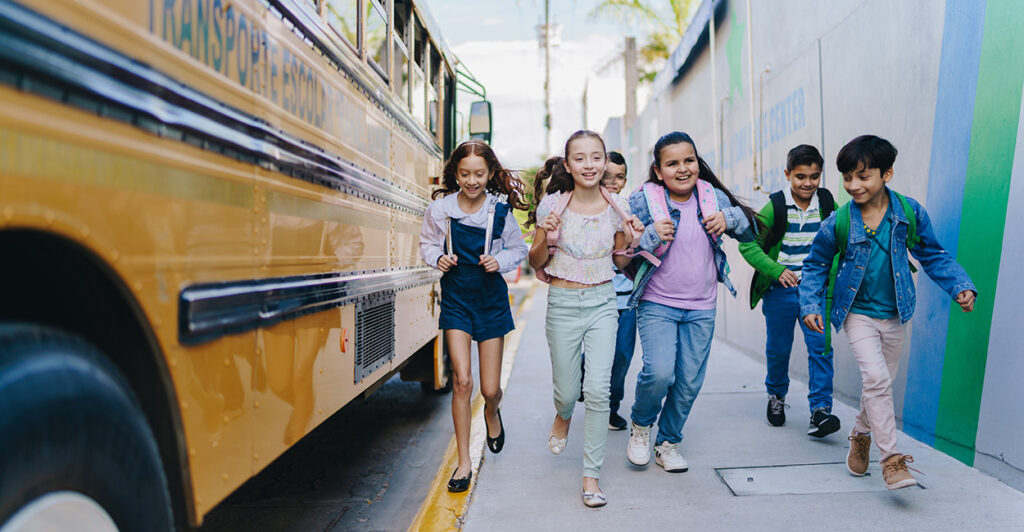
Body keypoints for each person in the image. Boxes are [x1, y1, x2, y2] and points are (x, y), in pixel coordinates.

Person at [799, 135, 976, 489]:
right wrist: (810, 304)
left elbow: (933, 254)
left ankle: (861, 434)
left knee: (880, 384)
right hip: (857, 313)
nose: (853, 185)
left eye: (863, 177)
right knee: (877, 381)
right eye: (848, 177)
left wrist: (960, 285)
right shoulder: (839, 222)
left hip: (896, 312)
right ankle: (892, 461)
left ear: (887, 174)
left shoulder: (908, 213)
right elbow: (816, 264)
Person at [625, 131, 760, 473]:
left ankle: (668, 442)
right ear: (658, 170)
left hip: (702, 305)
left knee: (688, 381)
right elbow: (624, 251)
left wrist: (730, 219)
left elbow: (751, 229)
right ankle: (641, 427)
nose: (683, 169)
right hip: (657, 302)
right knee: (659, 372)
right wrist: (651, 236)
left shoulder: (710, 196)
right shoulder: (644, 199)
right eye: (672, 163)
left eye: (689, 161)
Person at [526, 130, 642, 508]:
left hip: (603, 303)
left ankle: (591, 476)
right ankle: (562, 414)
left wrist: (631, 240)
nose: (590, 165)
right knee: (567, 389)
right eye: (580, 158)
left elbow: (621, 262)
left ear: (605, 160)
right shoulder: (552, 206)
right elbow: (536, 261)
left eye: (597, 157)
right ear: (568, 164)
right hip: (562, 302)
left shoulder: (618, 206)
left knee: (597, 390)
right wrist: (547, 235)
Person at [419, 140, 529, 493]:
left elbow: (518, 248)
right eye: (464, 174)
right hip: (456, 300)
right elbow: (427, 244)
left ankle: (492, 411)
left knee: (490, 388)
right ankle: (464, 462)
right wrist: (439, 258)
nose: (472, 180)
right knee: (463, 382)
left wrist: (502, 262)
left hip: (490, 299)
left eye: (479, 174)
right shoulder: (441, 210)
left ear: (491, 173)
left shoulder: (499, 212)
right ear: (455, 174)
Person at [738, 145, 841, 436]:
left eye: (814, 176)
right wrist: (776, 270)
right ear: (787, 174)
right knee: (779, 349)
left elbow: (837, 242)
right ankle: (776, 396)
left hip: (814, 292)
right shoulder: (775, 206)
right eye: (800, 176)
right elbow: (748, 244)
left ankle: (820, 411)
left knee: (821, 348)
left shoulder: (827, 202)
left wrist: (828, 279)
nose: (807, 183)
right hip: (781, 292)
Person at [600, 151, 637, 430]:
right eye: (607, 176)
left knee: (622, 356)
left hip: (627, 300)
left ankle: (612, 408)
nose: (613, 182)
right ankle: (583, 387)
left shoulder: (630, 208)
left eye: (620, 176)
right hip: (596, 297)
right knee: (594, 355)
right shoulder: (586, 207)